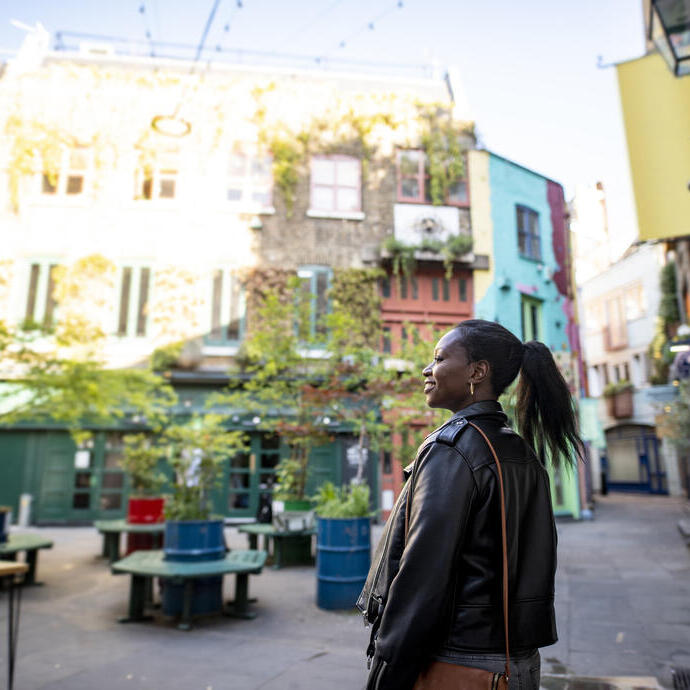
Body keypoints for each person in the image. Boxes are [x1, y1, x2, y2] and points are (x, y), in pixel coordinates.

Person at [357, 319, 584, 690]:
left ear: (477, 372)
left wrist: (388, 668)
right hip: (518, 660)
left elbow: (423, 574)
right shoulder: (519, 450)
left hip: (461, 661)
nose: (427, 370)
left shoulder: (452, 448)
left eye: (440, 358)